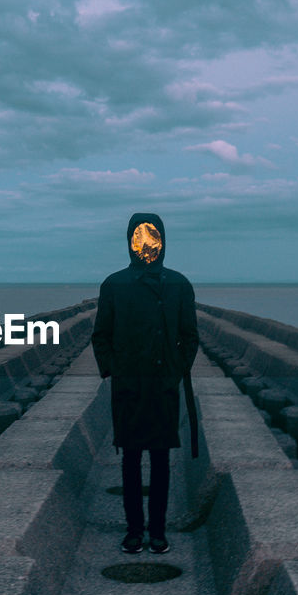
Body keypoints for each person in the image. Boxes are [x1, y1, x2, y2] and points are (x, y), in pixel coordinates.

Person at [91, 212, 199, 555]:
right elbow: (101, 336)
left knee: (162, 460)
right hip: (128, 387)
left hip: (163, 386)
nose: (146, 245)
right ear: (129, 242)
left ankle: (158, 531)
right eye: (139, 237)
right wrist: (114, 370)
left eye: (152, 237)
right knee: (131, 461)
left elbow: (190, 336)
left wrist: (175, 370)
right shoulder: (114, 284)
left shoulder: (179, 284)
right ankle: (134, 531)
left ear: (163, 241)